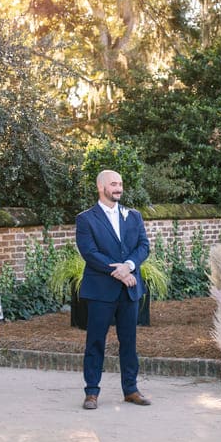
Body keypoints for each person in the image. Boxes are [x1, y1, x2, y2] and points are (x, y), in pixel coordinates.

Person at [76, 170, 152, 410]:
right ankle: (91, 392)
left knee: (129, 341)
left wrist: (129, 266)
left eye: (120, 184)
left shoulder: (134, 216)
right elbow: (89, 252)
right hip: (100, 290)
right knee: (95, 341)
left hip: (129, 290)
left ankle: (130, 389)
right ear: (101, 187)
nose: (118, 188)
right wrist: (118, 272)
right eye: (113, 184)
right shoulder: (86, 219)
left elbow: (143, 246)